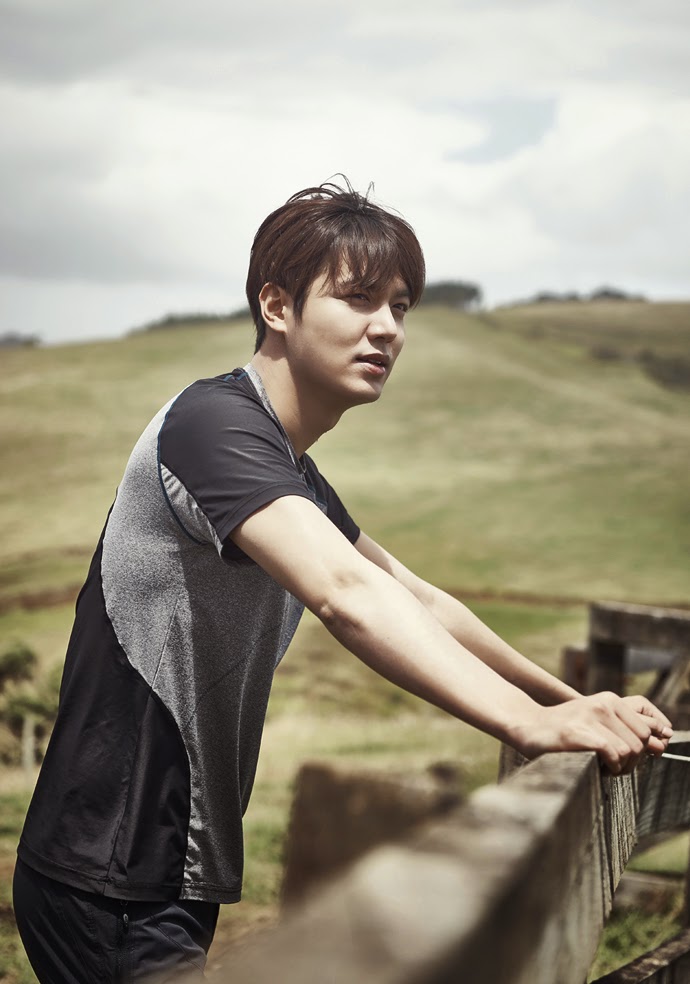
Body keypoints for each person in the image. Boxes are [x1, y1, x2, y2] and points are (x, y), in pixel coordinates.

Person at [14, 180, 672, 982]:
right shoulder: (212, 428)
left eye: (400, 306)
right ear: (277, 306)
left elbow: (412, 595)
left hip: (165, 870)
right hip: (109, 870)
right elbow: (345, 594)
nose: (387, 327)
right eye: (359, 298)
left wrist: (566, 702)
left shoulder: (288, 470)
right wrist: (526, 725)